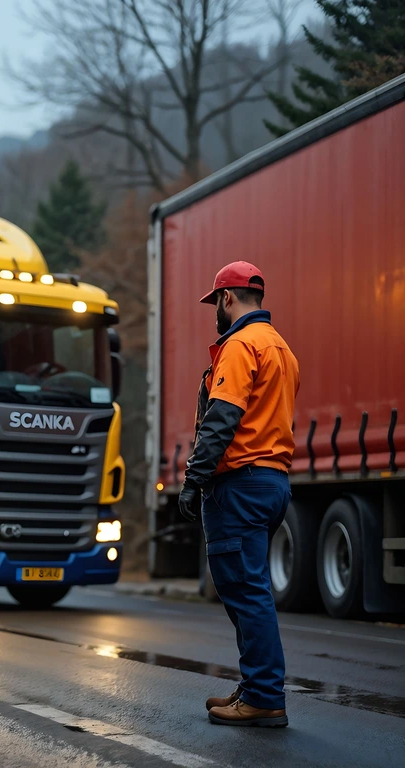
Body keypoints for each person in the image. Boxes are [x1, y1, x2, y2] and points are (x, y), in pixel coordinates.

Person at [178, 261, 300, 728]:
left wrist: (193, 479)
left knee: (246, 592)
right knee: (249, 588)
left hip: (240, 484)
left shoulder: (240, 344)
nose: (215, 311)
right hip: (272, 482)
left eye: (215, 303)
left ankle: (264, 696)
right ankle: (254, 687)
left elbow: (222, 419)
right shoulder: (281, 348)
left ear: (227, 298)